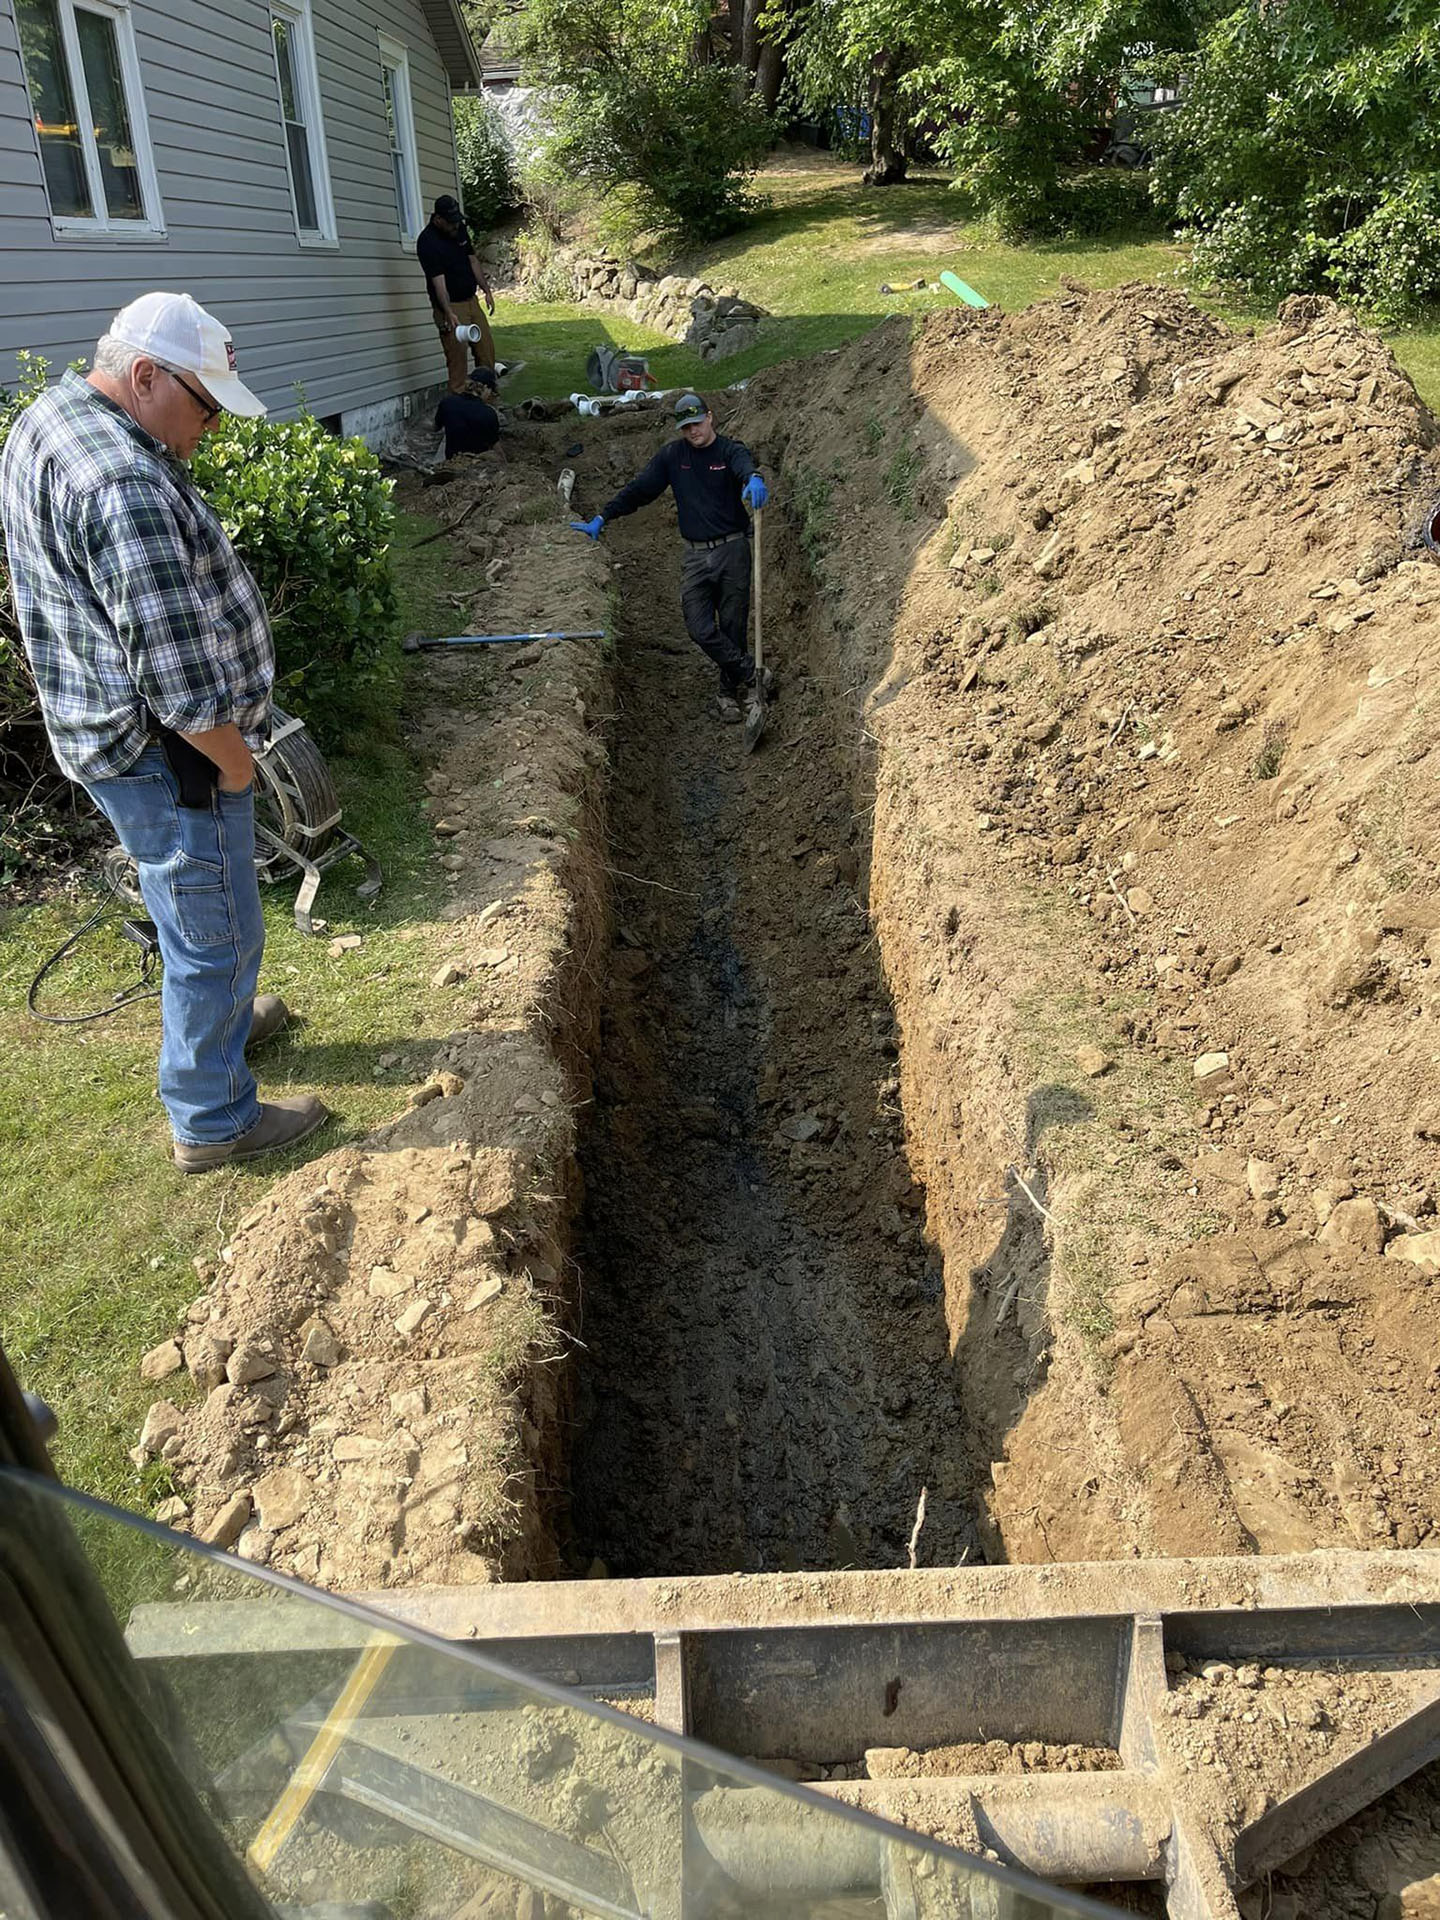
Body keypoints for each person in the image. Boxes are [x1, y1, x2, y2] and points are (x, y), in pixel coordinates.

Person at [0, 291, 328, 1173]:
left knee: (194, 913)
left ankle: (221, 1026)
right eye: (206, 404)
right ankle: (215, 1119)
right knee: (216, 927)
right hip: (166, 753)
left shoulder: (54, 415)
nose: (212, 427)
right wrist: (236, 769)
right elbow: (182, 689)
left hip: (110, 733)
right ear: (146, 376)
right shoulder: (122, 482)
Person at [571, 392, 771, 725]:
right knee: (699, 627)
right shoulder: (673, 457)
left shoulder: (729, 450)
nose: (692, 432)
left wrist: (754, 478)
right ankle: (753, 674)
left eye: (696, 424)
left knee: (733, 624)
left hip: (733, 549)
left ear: (710, 417)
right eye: (685, 428)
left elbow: (744, 466)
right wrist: (603, 518)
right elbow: (639, 490)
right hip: (695, 554)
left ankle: (726, 693)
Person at [416, 194, 498, 394]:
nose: (456, 226)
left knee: (486, 351)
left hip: (471, 300)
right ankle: (459, 408)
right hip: (450, 306)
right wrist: (447, 311)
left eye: (457, 221)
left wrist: (486, 291)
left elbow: (472, 261)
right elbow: (438, 281)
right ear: (438, 220)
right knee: (457, 358)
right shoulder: (427, 242)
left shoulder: (459, 230)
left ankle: (489, 402)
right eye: (451, 222)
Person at [435, 365, 502, 460]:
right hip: (477, 465)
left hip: (452, 461)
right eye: (491, 391)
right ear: (486, 388)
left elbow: (435, 428)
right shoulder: (488, 413)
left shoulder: (447, 403)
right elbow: (496, 449)